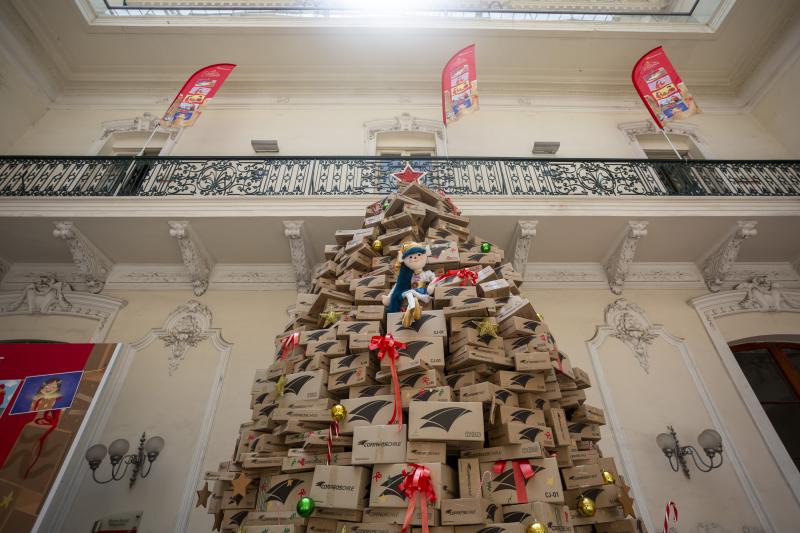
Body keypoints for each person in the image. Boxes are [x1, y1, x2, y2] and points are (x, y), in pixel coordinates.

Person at [382, 241, 440, 327]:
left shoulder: (426, 273)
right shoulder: (407, 276)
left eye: (419, 255)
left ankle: (414, 306)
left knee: (409, 293)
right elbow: (397, 285)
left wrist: (431, 286)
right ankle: (412, 310)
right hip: (413, 294)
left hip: (422, 291)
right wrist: (390, 297)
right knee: (408, 292)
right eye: (411, 257)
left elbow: (435, 279)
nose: (415, 258)